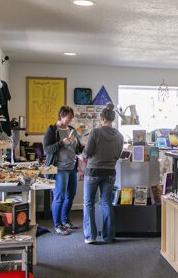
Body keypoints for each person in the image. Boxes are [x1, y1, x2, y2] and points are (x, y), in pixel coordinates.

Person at [82, 104, 124, 243]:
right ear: (112, 119)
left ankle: (90, 236)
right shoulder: (120, 135)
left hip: (93, 171)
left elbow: (87, 153)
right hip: (110, 172)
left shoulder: (95, 132)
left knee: (89, 203)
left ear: (101, 118)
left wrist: (81, 155)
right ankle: (108, 236)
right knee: (107, 203)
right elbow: (118, 155)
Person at [43, 106, 84, 235]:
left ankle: (65, 221)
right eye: (69, 117)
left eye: (72, 118)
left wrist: (86, 146)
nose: (70, 120)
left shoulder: (71, 130)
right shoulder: (52, 130)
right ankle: (57, 225)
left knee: (70, 196)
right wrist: (62, 142)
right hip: (59, 169)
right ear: (61, 115)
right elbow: (47, 150)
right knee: (59, 197)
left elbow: (77, 148)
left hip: (72, 168)